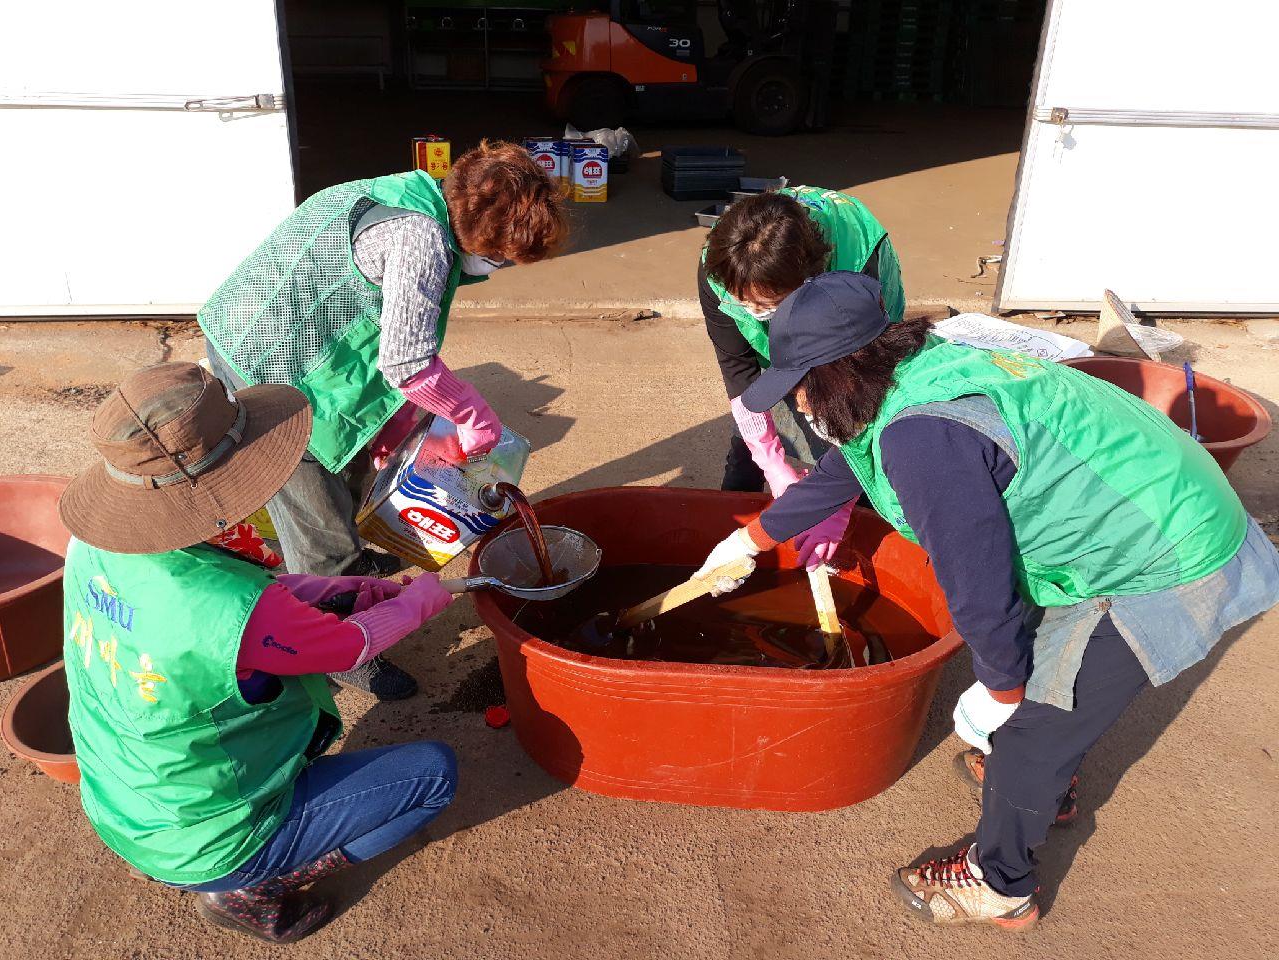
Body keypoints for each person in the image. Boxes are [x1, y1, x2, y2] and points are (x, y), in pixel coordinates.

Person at [694, 272, 1279, 930]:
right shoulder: (915, 367)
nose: (797, 406)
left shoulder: (923, 441)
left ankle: (1001, 882)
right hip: (1150, 495)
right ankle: (1041, 785)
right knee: (1036, 703)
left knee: (1035, 723)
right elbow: (849, 463)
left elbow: (979, 580)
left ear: (838, 373)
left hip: (1161, 555)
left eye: (800, 386)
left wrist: (1001, 689)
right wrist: (754, 537)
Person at [59, 362, 459, 944]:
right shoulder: (232, 609)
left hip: (126, 804)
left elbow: (202, 595)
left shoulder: (92, 544)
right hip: (205, 836)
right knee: (434, 775)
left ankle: (232, 858)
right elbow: (352, 644)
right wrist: (424, 597)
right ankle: (248, 886)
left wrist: (325, 589)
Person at [199, 140, 569, 700]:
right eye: (500, 259)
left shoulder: (409, 192)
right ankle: (342, 647)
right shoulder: (420, 241)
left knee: (356, 465)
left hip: (295, 332)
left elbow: (383, 334)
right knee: (315, 516)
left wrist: (394, 426)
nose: (496, 270)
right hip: (267, 367)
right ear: (481, 236)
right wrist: (472, 415)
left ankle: (351, 566)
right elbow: (407, 362)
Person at [699, 187, 904, 571]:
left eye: (766, 304)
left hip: (853, 325)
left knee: (846, 427)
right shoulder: (722, 264)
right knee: (750, 436)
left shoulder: (857, 271)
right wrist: (772, 462)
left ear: (810, 279)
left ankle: (851, 523)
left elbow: (867, 390)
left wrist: (838, 503)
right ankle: (738, 506)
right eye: (742, 301)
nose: (751, 311)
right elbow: (738, 370)